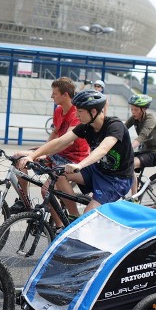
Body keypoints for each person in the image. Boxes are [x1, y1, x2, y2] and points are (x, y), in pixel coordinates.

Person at [17, 89, 133, 213]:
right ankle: (74, 216)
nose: (77, 115)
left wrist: (79, 165)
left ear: (93, 111)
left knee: (89, 213)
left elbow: (103, 149)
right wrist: (32, 156)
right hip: (97, 170)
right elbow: (60, 141)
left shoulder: (115, 126)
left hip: (116, 179)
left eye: (80, 111)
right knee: (58, 173)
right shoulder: (86, 127)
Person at [14, 76, 89, 219]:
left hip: (74, 158)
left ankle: (64, 222)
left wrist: (44, 154)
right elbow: (54, 134)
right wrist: (42, 150)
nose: (51, 96)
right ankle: (25, 203)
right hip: (58, 153)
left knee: (46, 190)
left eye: (54, 93)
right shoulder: (59, 111)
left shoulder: (76, 113)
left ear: (65, 95)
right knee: (18, 157)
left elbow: (67, 141)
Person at [125, 93, 156, 194]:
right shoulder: (134, 118)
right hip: (145, 151)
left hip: (155, 154)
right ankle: (135, 183)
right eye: (132, 109)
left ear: (143, 109)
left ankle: (134, 199)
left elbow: (141, 137)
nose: (133, 112)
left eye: (136, 110)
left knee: (131, 164)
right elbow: (122, 129)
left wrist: (128, 148)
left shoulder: (150, 119)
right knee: (122, 161)